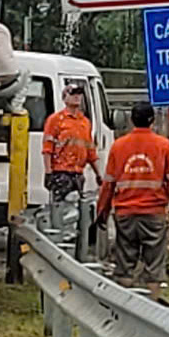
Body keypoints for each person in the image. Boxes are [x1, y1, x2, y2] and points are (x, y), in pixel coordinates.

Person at [96, 100, 169, 298]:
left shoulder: (118, 146)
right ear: (152, 120)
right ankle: (152, 305)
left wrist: (101, 211)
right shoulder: (163, 146)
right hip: (154, 214)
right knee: (154, 265)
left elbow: (108, 183)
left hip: (125, 214)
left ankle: (125, 305)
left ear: (131, 120)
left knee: (125, 263)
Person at [40, 80, 101, 247]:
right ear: (64, 97)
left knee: (77, 211)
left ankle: (73, 244)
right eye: (73, 94)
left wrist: (98, 174)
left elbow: (90, 151)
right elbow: (47, 148)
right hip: (61, 172)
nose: (77, 98)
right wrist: (49, 172)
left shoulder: (85, 122)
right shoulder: (56, 120)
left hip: (78, 173)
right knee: (60, 210)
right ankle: (59, 243)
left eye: (79, 94)